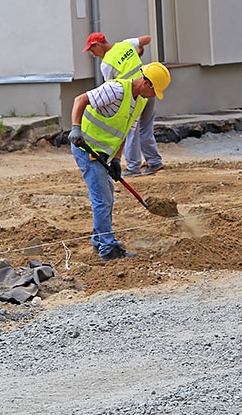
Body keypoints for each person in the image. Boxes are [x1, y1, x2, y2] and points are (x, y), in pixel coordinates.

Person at [68, 62, 171, 261]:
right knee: (102, 199)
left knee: (107, 198)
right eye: (154, 91)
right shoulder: (115, 90)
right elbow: (79, 99)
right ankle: (107, 249)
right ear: (146, 82)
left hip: (104, 152)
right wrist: (75, 128)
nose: (153, 96)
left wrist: (116, 159)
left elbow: (125, 130)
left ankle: (100, 242)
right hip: (86, 146)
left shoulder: (139, 100)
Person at [84, 32, 163, 177]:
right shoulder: (126, 44)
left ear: (98, 45)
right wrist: (139, 51)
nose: (93, 54)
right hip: (150, 89)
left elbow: (111, 86)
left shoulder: (106, 64)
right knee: (145, 129)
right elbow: (147, 39)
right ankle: (154, 162)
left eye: (92, 50)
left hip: (135, 95)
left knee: (130, 130)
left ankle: (133, 167)